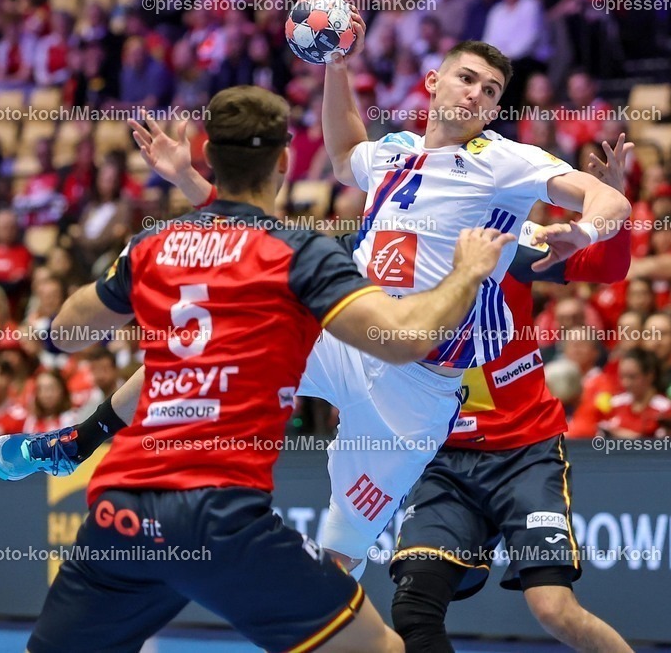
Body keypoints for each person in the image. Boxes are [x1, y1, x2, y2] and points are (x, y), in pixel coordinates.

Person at [0, 85, 514, 653]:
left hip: (123, 508)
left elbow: (66, 334)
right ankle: (78, 439)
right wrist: (467, 272)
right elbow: (406, 336)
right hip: (220, 517)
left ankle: (80, 440)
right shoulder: (298, 255)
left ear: (209, 152)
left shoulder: (153, 244)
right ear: (285, 161)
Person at [124, 34, 629, 577]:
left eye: (491, 90)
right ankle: (80, 440)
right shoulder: (393, 156)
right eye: (466, 79)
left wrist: (584, 230)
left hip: (417, 390)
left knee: (338, 557)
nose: (476, 95)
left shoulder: (506, 170)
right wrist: (336, 65)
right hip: (350, 339)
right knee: (202, 349)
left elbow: (610, 203)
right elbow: (342, 156)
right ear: (432, 83)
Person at [387, 137, 634, 653]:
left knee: (554, 610)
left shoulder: (513, 243)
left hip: (523, 450)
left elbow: (607, 270)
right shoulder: (394, 250)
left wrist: (611, 219)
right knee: (413, 608)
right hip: (442, 454)